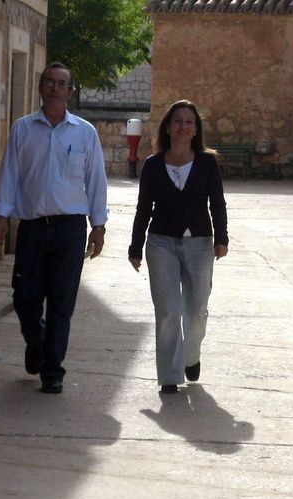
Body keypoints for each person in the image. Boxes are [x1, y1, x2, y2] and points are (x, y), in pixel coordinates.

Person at [0, 62, 108, 394]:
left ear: (70, 91)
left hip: (70, 230)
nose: (55, 88)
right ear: (40, 88)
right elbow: (9, 174)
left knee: (61, 301)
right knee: (25, 297)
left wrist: (98, 225)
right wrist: (0, 215)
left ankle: (53, 371)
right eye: (49, 82)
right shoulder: (23, 129)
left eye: (62, 83)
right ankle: (37, 341)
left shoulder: (85, 132)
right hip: (33, 228)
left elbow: (96, 180)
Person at [128, 99, 228, 394]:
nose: (183, 126)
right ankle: (169, 376)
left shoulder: (207, 163)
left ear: (196, 129)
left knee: (197, 311)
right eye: (178, 121)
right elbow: (143, 207)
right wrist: (136, 246)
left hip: (199, 243)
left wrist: (221, 238)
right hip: (161, 243)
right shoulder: (153, 165)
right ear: (168, 127)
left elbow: (217, 203)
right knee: (168, 310)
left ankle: (191, 356)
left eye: (189, 122)